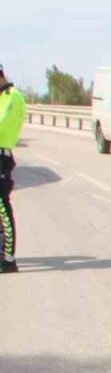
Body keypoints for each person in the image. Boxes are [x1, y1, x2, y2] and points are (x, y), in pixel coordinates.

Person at [0, 65, 27, 274]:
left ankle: (9, 260)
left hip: (1, 156)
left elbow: (3, 123)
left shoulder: (12, 96)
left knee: (2, 207)